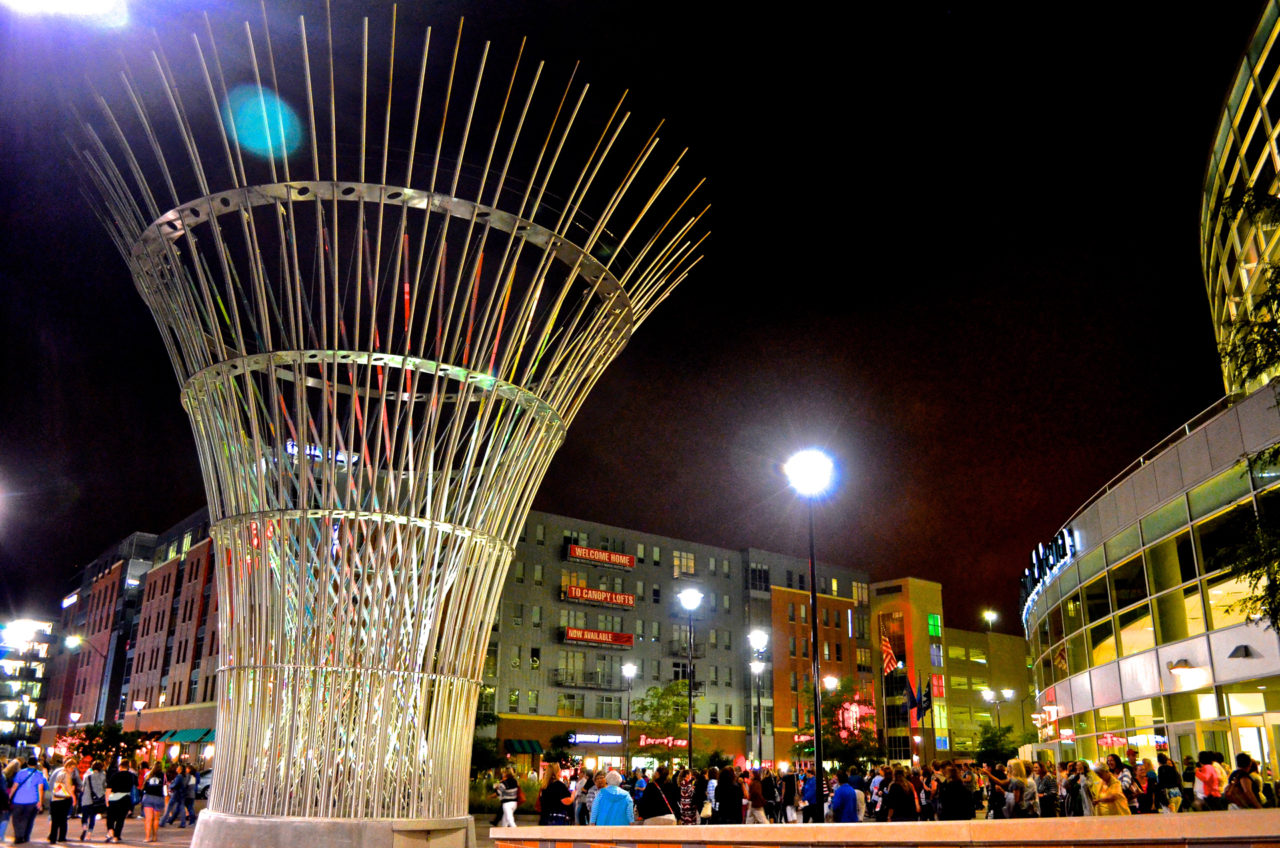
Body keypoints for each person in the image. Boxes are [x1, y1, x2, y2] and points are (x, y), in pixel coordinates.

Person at [9, 756, 48, 845]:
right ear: (36, 764)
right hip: (32, 799)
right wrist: (40, 802)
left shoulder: (20, 773)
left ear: (27, 763)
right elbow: (40, 789)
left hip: (18, 799)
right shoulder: (39, 774)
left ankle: (18, 835)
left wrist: (10, 796)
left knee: (16, 819)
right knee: (26, 819)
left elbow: (14, 786)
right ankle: (23, 836)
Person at [105, 760, 137, 843]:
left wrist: (107, 800)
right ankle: (116, 836)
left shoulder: (115, 775)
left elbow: (108, 789)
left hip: (114, 798)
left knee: (110, 817)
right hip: (125, 798)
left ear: (120, 767)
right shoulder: (131, 776)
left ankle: (111, 830)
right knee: (120, 819)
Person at [48, 758, 76, 843]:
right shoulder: (66, 775)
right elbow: (68, 788)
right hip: (63, 799)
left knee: (55, 820)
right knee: (63, 820)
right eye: (72, 768)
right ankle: (61, 837)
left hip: (55, 798)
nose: (72, 770)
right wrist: (74, 797)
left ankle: (53, 837)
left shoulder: (59, 773)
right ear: (68, 766)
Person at [80, 761, 108, 842]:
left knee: (84, 816)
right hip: (96, 801)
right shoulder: (103, 776)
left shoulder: (87, 776)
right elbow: (105, 787)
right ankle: (89, 835)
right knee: (92, 817)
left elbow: (83, 788)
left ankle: (84, 828)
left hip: (86, 799)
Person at [140, 762, 166, 842]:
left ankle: (147, 837)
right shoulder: (163, 775)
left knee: (148, 819)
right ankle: (154, 836)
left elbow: (143, 787)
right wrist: (165, 797)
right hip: (158, 797)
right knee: (156, 819)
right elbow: (164, 787)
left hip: (148, 797)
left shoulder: (148, 775)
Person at [160, 764, 188, 828]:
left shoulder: (179, 776)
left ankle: (163, 822)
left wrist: (170, 786)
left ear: (180, 769)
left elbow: (175, 784)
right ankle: (182, 823)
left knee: (169, 807)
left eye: (178, 768)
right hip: (182, 793)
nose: (176, 769)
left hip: (177, 793)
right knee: (181, 808)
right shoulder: (184, 776)